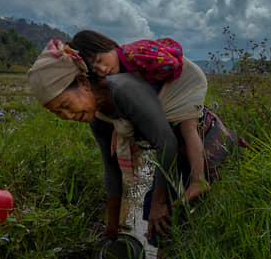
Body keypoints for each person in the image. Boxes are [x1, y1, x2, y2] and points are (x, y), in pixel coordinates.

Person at [27, 39, 210, 241]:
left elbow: (167, 143)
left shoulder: (124, 90)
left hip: (183, 88)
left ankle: (198, 182)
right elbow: (111, 167)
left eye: (67, 105)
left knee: (164, 214)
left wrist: (159, 203)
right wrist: (112, 225)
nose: (68, 115)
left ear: (83, 83)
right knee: (156, 218)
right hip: (162, 125)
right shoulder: (99, 118)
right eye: (58, 112)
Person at [71, 30, 209, 204]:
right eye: (96, 69)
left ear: (109, 45)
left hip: (186, 81)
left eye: (100, 61)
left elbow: (171, 64)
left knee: (188, 128)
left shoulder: (133, 55)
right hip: (172, 85)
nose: (103, 69)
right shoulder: (119, 71)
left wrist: (142, 80)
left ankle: (199, 180)